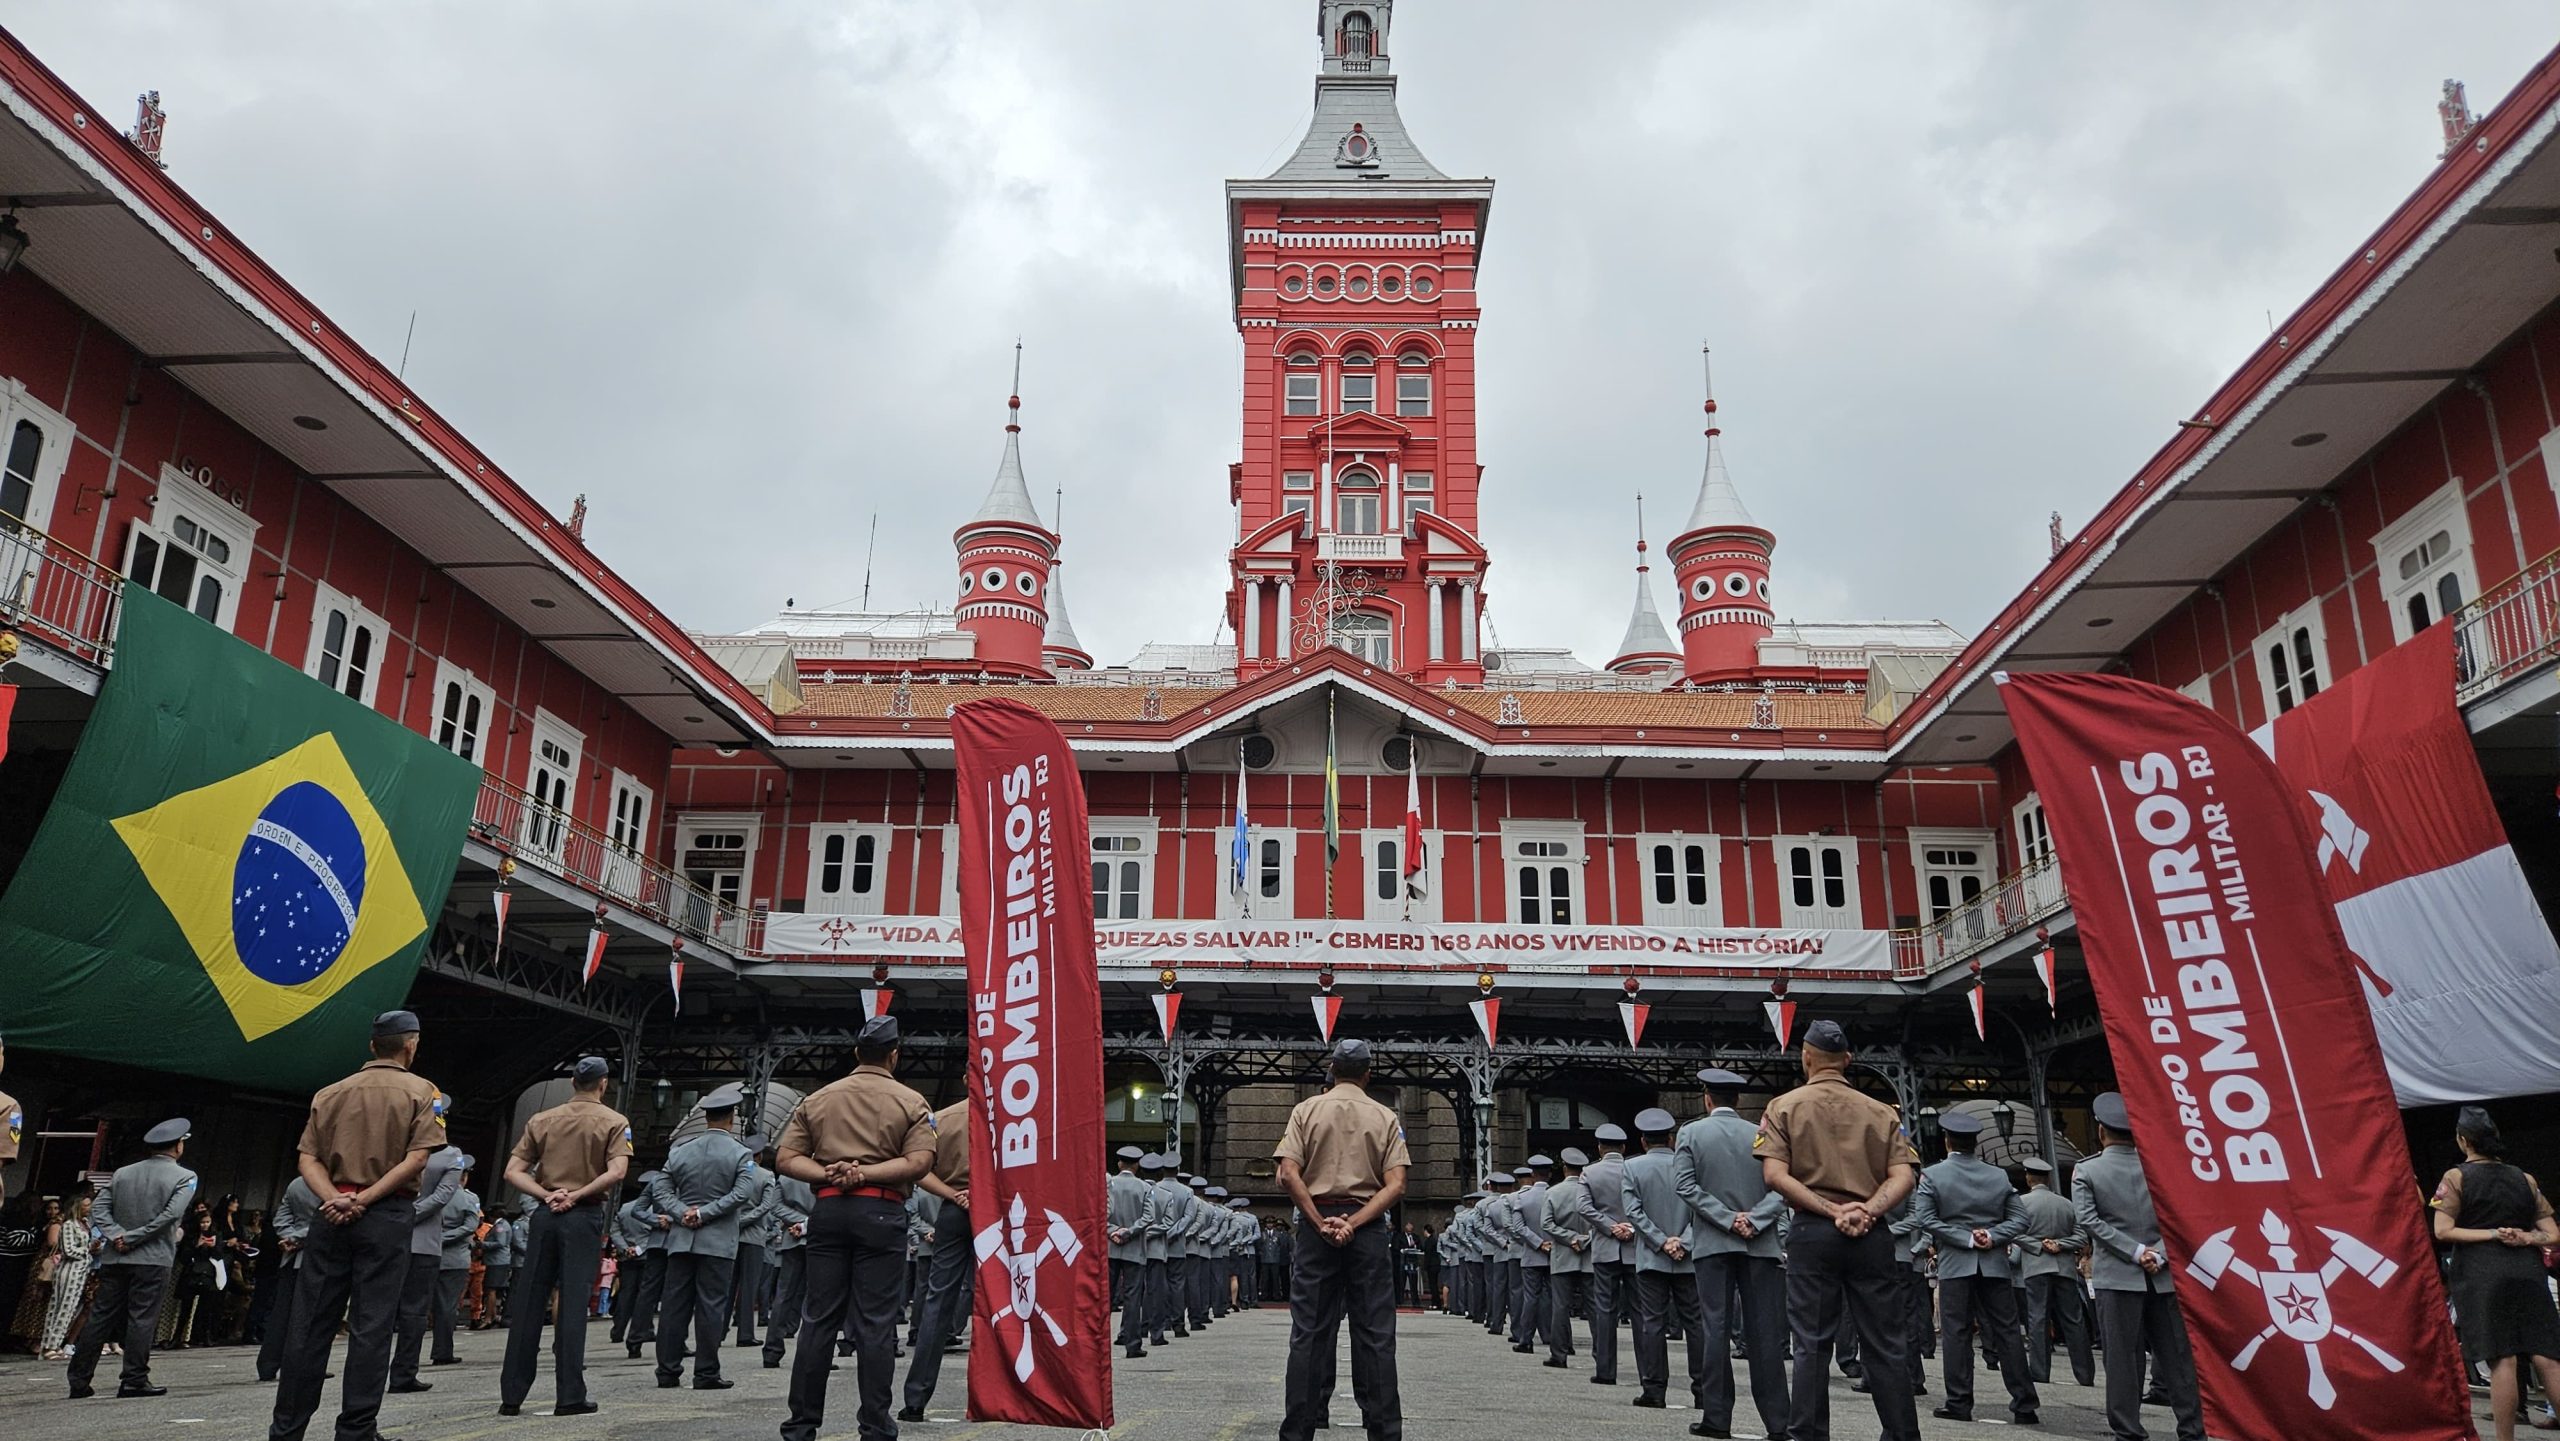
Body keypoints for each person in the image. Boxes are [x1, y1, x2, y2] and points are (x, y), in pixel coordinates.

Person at [268, 1010, 445, 1441]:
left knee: (309, 1325)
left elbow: (306, 1158)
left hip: (329, 1215)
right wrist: (365, 1199)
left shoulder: (330, 1093)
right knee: (372, 1325)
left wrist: (335, 1198)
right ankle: (356, 1430)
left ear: (371, 1046)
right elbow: (418, 1158)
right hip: (385, 1214)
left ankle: (287, 1430)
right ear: (411, 1045)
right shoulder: (424, 1092)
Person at [1754, 1018, 1921, 1441]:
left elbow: (1775, 1175)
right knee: (1886, 1342)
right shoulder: (1883, 1112)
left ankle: (1808, 1433)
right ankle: (1902, 1434)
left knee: (1811, 1341)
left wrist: (1830, 1210)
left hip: (1813, 1232)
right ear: (1848, 1061)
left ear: (1805, 1058)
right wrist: (1867, 1209)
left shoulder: (1783, 1106)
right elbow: (1904, 1176)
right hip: (1873, 1235)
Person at [777, 1013, 938, 1441]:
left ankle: (801, 1425)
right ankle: (875, 1427)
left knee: (818, 1320)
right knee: (876, 1323)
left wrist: (831, 1173)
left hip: (828, 1212)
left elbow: (787, 1158)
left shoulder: (817, 1098)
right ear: (894, 1055)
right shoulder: (911, 1102)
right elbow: (919, 1163)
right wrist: (865, 1175)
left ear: (855, 1053)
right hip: (881, 1213)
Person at [1274, 1037, 1408, 1441]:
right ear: (1369, 1073)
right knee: (1375, 1335)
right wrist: (1356, 1221)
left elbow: (1287, 1174)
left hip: (1317, 1234)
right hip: (1366, 1233)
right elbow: (1397, 1183)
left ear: (1331, 1069)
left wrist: (1319, 1222)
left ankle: (1299, 1430)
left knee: (1310, 1333)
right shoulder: (1385, 1116)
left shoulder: (1306, 1110)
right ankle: (1384, 1432)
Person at [497, 1053, 633, 1417]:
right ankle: (569, 1394)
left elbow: (514, 1171)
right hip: (583, 1214)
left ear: (573, 1082)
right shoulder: (614, 1122)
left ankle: (512, 1394)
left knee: (528, 1303)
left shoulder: (542, 1119)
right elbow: (618, 1171)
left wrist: (547, 1194)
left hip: (545, 1214)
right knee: (572, 1304)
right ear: (603, 1084)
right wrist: (577, 1193)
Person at [2071, 1092, 2204, 1441]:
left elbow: (2089, 1220)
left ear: (2101, 1131)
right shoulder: (2161, 1167)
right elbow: (2179, 1216)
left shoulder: (2087, 1170)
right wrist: (2156, 1253)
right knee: (2177, 1357)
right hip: (2162, 1276)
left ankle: (2128, 1430)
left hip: (2117, 1276)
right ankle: (2192, 1428)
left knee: (2122, 1359)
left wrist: (2133, 1251)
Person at [1673, 1066, 1792, 1441]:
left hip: (1712, 1243)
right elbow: (1784, 1187)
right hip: (1761, 1244)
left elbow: (1685, 1186)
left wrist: (1726, 1219)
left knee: (1715, 1328)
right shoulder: (1762, 1133)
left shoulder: (1691, 1133)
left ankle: (1717, 1418)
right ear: (1737, 1100)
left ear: (1707, 1098)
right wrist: (1754, 1220)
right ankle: (1778, 1423)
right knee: (1766, 1334)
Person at [2433, 1105, 2560, 1441]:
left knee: (2502, 1359)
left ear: (2463, 1141)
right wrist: (2527, 1237)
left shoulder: (2455, 1177)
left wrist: (2491, 1233)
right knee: (2548, 1356)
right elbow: (2552, 1232)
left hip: (2483, 1274)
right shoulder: (2525, 1178)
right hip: (2529, 1272)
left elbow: (2443, 1230)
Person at [1911, 1110, 2037, 1424]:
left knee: (1957, 1333)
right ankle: (2024, 1404)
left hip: (1956, 1264)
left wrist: (1965, 1238)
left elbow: (1926, 1219)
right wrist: (1992, 1235)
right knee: (2008, 1332)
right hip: (1994, 1263)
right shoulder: (1998, 1175)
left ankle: (1959, 1402)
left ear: (1946, 1140)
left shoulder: (1933, 1175)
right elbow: (2021, 1219)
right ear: (1975, 1142)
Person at [66, 1118, 196, 1399]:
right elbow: (171, 1215)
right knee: (142, 1318)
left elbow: (99, 1209)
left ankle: (79, 1379)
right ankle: (134, 1379)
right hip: (153, 1257)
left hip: (116, 1257)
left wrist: (116, 1236)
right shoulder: (186, 1177)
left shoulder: (122, 1173)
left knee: (100, 1316)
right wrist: (135, 1237)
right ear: (178, 1146)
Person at [646, 1081, 756, 1391]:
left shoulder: (680, 1151)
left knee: (673, 1306)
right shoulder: (741, 1153)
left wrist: (682, 1212)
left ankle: (667, 1371)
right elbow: (742, 1194)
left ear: (705, 1117)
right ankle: (706, 1373)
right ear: (731, 1118)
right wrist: (705, 1214)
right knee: (711, 1307)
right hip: (718, 1242)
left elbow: (661, 1187)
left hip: (681, 1240)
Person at [1623, 1107, 1708, 1414]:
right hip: (1689, 1257)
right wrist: (1682, 1241)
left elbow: (1634, 1213)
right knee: (1696, 1325)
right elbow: (1701, 1207)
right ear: (1671, 1139)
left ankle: (1654, 1389)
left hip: (1651, 1258)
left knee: (1652, 1323)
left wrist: (1660, 1241)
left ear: (1643, 1140)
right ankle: (1703, 1391)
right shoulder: (1690, 1166)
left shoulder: (1632, 1168)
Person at [897, 1095, 973, 1421]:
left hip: (955, 1210)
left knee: (937, 1300)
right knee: (1013, 1300)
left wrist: (954, 1194)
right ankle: (1015, 1393)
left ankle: (915, 1399)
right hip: (1001, 1210)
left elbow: (918, 1170)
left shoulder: (940, 1118)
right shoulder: (1014, 1116)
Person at [386, 1133, 465, 1393]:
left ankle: (369, 1377)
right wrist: (411, 1215)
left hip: (387, 1237)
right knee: (414, 1312)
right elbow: (442, 1196)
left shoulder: (394, 1145)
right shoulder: (450, 1156)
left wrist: (398, 1217)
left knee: (377, 1311)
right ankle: (403, 1374)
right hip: (424, 1243)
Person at [2013, 1156, 2093, 1388]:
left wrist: (2038, 1245)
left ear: (2029, 1178)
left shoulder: (2022, 1203)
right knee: (2074, 1320)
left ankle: (2039, 1371)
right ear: (2047, 1178)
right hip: (2064, 1267)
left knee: (2037, 1319)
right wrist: (2061, 1244)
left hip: (2036, 1266)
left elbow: (2014, 1233)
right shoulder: (2066, 1204)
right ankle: (2085, 1374)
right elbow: (2081, 1236)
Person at [1577, 1121, 1634, 1387]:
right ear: (1623, 1147)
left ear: (1600, 1148)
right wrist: (1629, 1227)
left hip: (1604, 1248)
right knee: (1643, 1312)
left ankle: (1605, 1369)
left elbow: (1584, 1208)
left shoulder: (1589, 1172)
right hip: (1635, 1247)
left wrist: (1611, 1227)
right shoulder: (1636, 1168)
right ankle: (1649, 1372)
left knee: (1604, 1310)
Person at [254, 1179, 318, 1383]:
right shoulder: (332, 1182)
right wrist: (298, 1238)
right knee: (309, 1315)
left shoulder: (296, 1184)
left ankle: (268, 1364)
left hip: (290, 1257)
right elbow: (325, 1220)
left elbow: (281, 1217)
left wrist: (289, 1237)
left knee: (280, 1312)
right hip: (317, 1256)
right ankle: (302, 1364)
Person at [1539, 1147, 1595, 1371]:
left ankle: (1559, 1354)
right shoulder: (1593, 1191)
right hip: (1590, 1256)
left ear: (1564, 1168)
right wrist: (1585, 1239)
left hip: (1563, 1255)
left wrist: (1569, 1237)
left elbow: (1546, 1224)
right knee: (1595, 1308)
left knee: (1560, 1307)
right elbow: (1601, 1219)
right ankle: (1602, 1355)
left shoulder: (1553, 1192)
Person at [428, 1157, 481, 1367]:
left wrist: (435, 1238)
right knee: (447, 1307)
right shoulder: (468, 1199)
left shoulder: (432, 1195)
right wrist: (445, 1238)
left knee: (418, 1306)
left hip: (428, 1254)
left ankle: (407, 1356)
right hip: (455, 1259)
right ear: (464, 1177)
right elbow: (470, 1226)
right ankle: (442, 1352)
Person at [760, 1168, 813, 1370]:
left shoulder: (788, 1175)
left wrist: (797, 1221)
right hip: (821, 1239)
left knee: (783, 1296)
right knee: (817, 1298)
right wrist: (807, 1222)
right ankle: (812, 1352)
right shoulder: (824, 1171)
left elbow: (775, 1206)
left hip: (792, 1238)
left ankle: (772, 1351)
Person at [614, 1170, 670, 1356]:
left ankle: (626, 1334)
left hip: (632, 1255)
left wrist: (625, 1248)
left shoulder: (625, 1208)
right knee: (662, 1294)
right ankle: (655, 1334)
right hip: (654, 1251)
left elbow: (615, 1230)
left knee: (632, 1294)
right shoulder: (659, 1205)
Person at [1108, 1145, 1156, 1357]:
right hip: (1135, 1249)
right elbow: (1149, 1217)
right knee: (1133, 1297)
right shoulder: (1145, 1188)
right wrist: (1129, 1232)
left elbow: (1099, 1212)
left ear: (1119, 1163)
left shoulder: (1108, 1185)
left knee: (1104, 1297)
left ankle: (1098, 1343)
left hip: (1110, 1247)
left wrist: (1113, 1232)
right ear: (1137, 1165)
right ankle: (1132, 1344)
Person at [732, 1135, 779, 1349]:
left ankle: (720, 1329)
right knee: (749, 1286)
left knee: (727, 1286)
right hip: (755, 1237)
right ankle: (745, 1333)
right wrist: (747, 1220)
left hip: (732, 1234)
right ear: (759, 1156)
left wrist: (736, 1221)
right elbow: (765, 1206)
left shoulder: (736, 1173)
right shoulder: (766, 1175)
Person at [42, 1190, 96, 1360]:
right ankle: (49, 1345)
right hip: (69, 1270)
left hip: (81, 1271)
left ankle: (56, 1343)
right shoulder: (68, 1225)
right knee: (60, 1307)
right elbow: (68, 1249)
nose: (89, 1208)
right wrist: (88, 1249)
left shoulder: (85, 1224)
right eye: (86, 1205)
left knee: (70, 1308)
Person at [1146, 1152, 1191, 1345]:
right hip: (1178, 1245)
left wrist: (1163, 1234)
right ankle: (1178, 1324)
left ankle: (1161, 1322)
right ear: (1178, 1170)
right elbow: (1188, 1218)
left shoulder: (1154, 1189)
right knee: (1177, 1286)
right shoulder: (1187, 1192)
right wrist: (1174, 1233)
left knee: (1157, 1286)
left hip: (1156, 1243)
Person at [477, 1206, 515, 1328]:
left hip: (497, 1261)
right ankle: (492, 1315)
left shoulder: (500, 1226)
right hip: (497, 1261)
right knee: (490, 1289)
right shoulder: (504, 1224)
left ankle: (488, 1318)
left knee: (491, 1289)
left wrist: (482, 1244)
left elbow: (500, 1242)